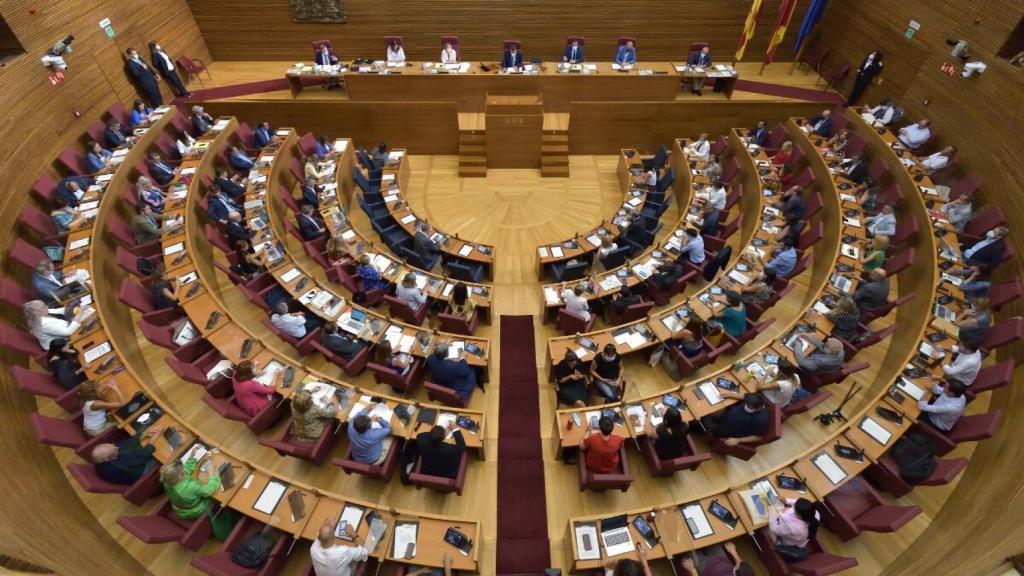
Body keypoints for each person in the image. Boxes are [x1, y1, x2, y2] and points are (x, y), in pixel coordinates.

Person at [159, 454, 237, 539]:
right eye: (182, 471)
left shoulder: (167, 482)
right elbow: (208, 491)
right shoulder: (190, 486)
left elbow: (185, 473)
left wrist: (192, 457)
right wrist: (212, 474)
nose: (184, 471)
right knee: (219, 495)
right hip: (194, 510)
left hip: (179, 508)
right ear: (179, 476)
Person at [91, 425, 162, 485]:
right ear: (110, 459)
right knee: (159, 455)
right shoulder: (118, 465)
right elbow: (143, 455)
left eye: (113, 445)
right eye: (115, 450)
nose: (117, 447)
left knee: (133, 448)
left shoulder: (101, 458)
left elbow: (124, 445)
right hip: (137, 474)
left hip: (129, 465)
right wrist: (152, 440)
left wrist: (145, 434)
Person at [701, 392, 769, 446]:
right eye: (746, 404)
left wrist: (738, 440)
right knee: (708, 411)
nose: (746, 407)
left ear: (759, 408)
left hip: (732, 429)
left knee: (707, 422)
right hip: (727, 416)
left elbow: (758, 437)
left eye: (749, 407)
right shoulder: (756, 397)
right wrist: (728, 395)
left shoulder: (760, 419)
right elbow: (744, 396)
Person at [23, 300, 91, 350]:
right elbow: (68, 332)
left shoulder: (43, 312)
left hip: (67, 326)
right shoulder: (42, 324)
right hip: (62, 345)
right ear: (36, 313)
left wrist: (76, 308)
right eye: (43, 307)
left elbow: (60, 311)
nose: (47, 307)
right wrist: (79, 313)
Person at [678, 541, 755, 576]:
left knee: (687, 544)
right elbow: (741, 566)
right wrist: (734, 552)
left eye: (736, 567)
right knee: (710, 536)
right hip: (721, 559)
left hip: (705, 568)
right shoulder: (746, 574)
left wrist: (692, 570)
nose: (738, 562)